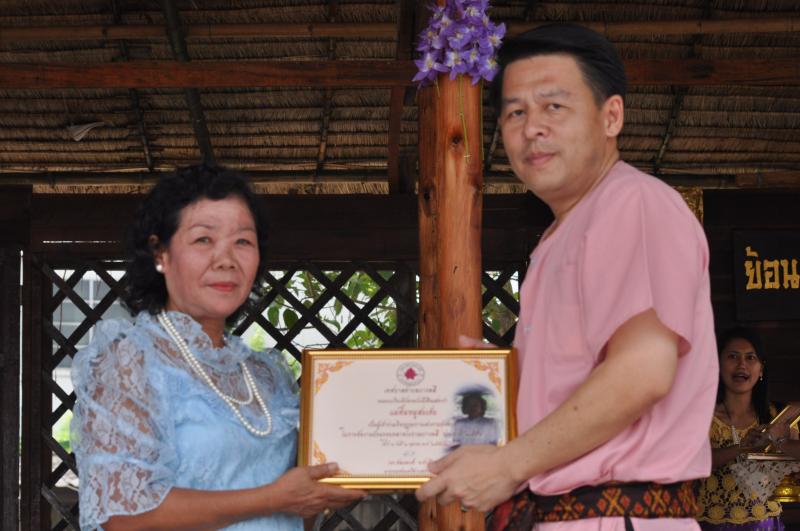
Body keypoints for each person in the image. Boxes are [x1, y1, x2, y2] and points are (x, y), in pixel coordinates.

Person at [416, 23, 719, 530]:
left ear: (611, 116)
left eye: (553, 106)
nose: (532, 128)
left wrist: (508, 465)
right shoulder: (563, 233)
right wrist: (504, 377)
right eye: (515, 112)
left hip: (614, 517)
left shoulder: (633, 203)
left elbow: (642, 371)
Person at [71, 165, 365, 531]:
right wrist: (273, 498)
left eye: (243, 242)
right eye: (203, 240)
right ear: (160, 253)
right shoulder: (131, 361)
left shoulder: (267, 375)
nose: (226, 260)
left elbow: (293, 511)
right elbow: (121, 516)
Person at [697, 327, 800, 530]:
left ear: (761, 369)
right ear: (717, 365)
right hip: (709, 525)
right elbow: (694, 462)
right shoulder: (701, 416)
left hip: (765, 525)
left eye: (750, 357)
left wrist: (783, 443)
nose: (742, 364)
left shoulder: (777, 417)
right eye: (733, 356)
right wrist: (742, 448)